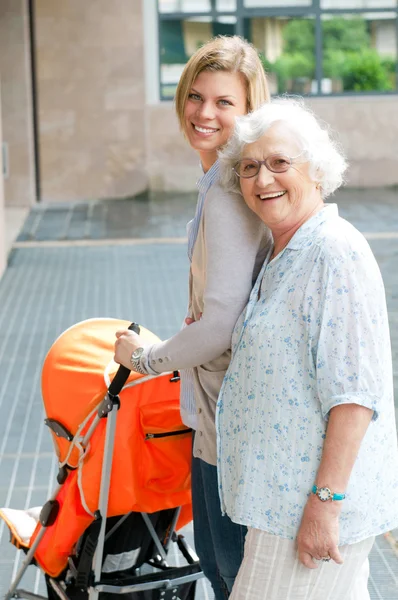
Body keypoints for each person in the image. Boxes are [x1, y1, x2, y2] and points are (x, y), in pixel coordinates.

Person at [215, 98, 398, 600]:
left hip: (304, 508)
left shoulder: (333, 252)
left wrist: (325, 504)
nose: (263, 178)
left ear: (316, 170)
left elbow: (355, 396)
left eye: (279, 163)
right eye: (249, 167)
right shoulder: (284, 250)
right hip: (279, 503)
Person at [114, 36, 271, 598]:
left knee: (227, 569)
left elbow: (221, 323)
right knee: (221, 562)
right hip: (219, 410)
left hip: (229, 416)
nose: (205, 113)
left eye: (225, 103)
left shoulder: (229, 191)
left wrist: (146, 359)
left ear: (250, 112)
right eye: (196, 97)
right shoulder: (218, 180)